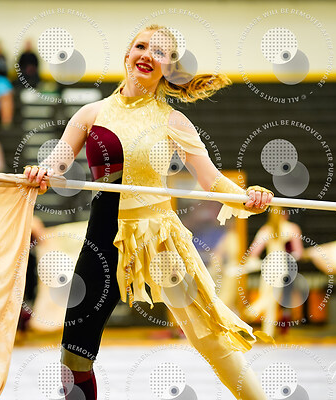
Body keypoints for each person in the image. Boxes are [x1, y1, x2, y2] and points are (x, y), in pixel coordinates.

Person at [25, 25, 274, 400]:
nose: (146, 55)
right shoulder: (91, 113)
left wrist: (247, 197)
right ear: (127, 54)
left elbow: (212, 180)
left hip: (160, 242)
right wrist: (39, 174)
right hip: (102, 241)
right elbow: (56, 166)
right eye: (141, 46)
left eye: (159, 52)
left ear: (168, 68)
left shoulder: (173, 121)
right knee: (73, 354)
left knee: (208, 336)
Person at [245, 207, 304, 336]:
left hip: (268, 265)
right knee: (272, 298)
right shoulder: (292, 228)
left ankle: (267, 331)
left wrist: (254, 262)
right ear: (285, 214)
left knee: (268, 296)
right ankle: (251, 312)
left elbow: (253, 252)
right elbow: (299, 253)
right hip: (281, 265)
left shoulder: (265, 230)